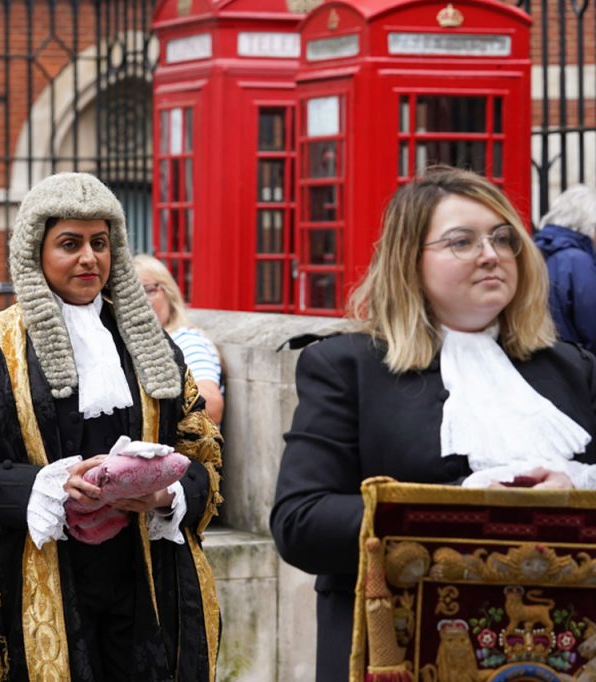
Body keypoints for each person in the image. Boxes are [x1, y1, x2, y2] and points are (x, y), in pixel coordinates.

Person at [270, 166, 596, 682]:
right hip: (401, 656)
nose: (491, 255)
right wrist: (459, 504)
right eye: (462, 241)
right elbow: (299, 523)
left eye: (503, 238)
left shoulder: (572, 367)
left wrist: (575, 487)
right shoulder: (347, 367)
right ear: (409, 262)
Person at [0, 172, 223, 682]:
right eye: (70, 244)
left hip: (144, 578)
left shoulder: (149, 342)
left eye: (100, 243)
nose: (89, 258)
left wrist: (164, 495)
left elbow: (201, 452)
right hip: (44, 576)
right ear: (36, 252)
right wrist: (45, 486)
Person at [132, 254, 225, 424]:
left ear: (169, 293)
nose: (142, 301)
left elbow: (211, 407)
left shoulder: (186, 341)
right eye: (132, 294)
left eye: (148, 290)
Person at [533, 184, 596, 352]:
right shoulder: (576, 260)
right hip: (576, 363)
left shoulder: (537, 249)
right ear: (588, 223)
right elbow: (591, 325)